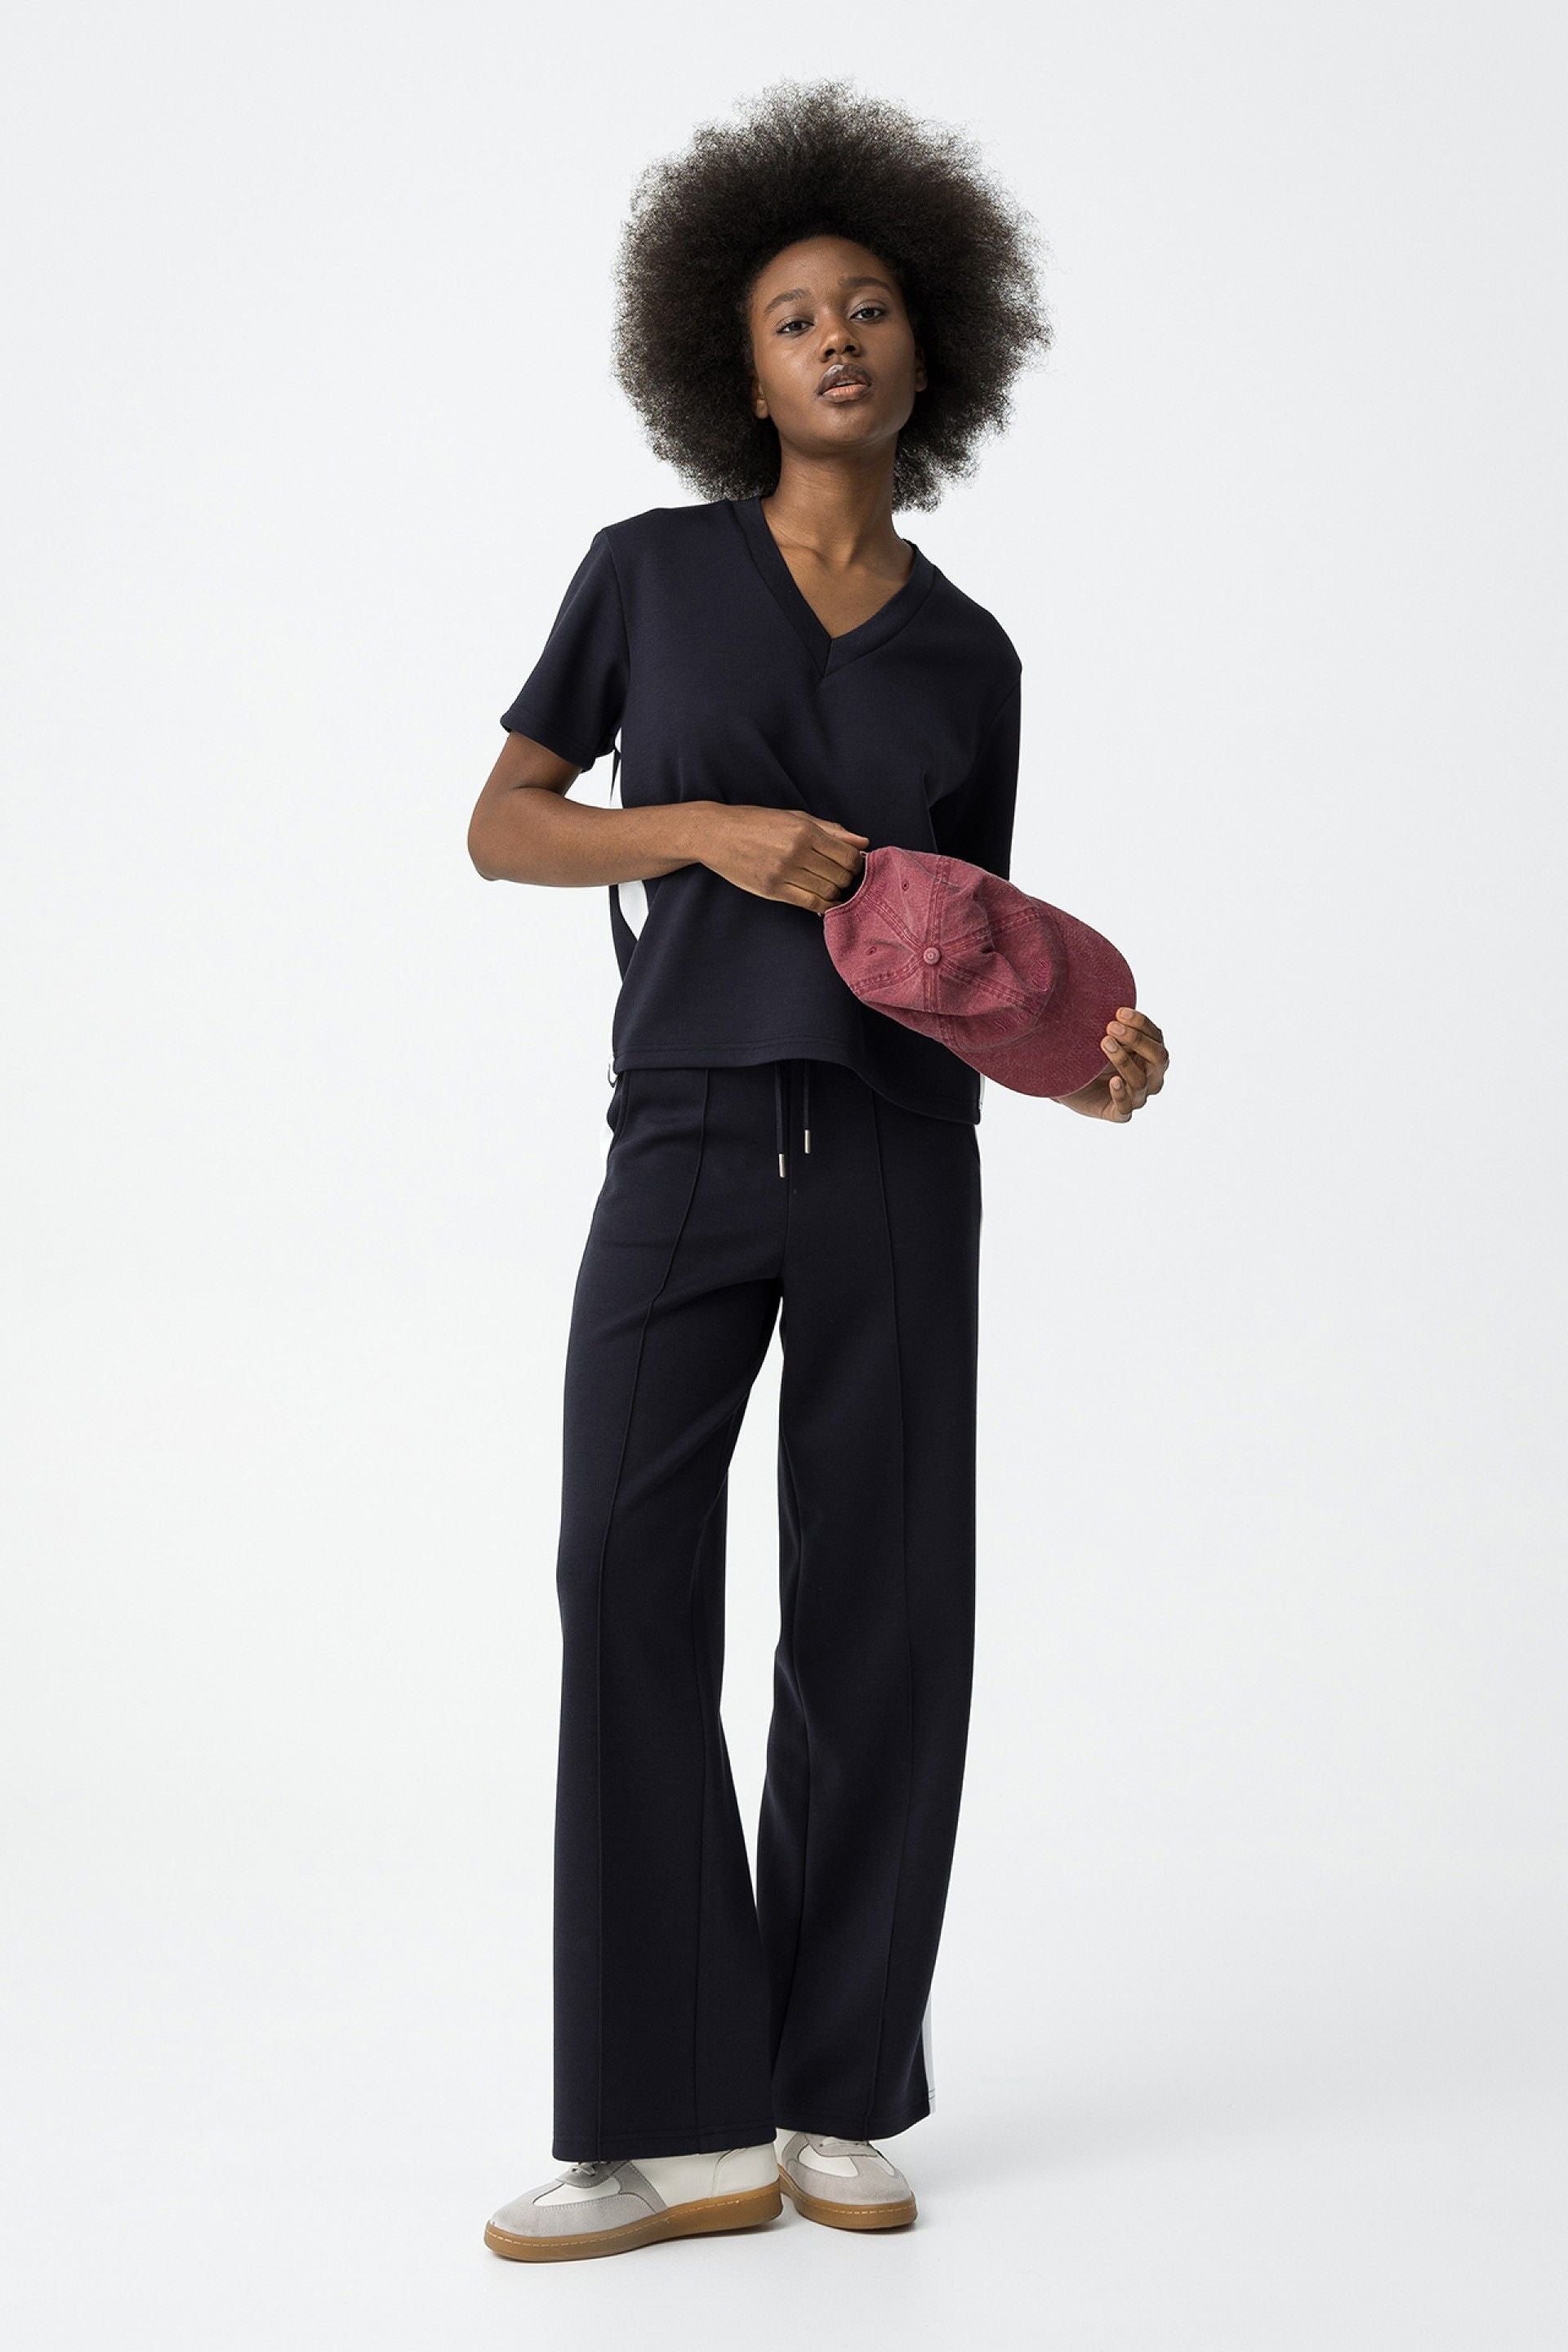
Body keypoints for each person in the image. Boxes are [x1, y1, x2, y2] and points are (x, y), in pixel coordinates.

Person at [466, 78, 1169, 2265]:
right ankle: (664, 2122)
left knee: (883, 1609)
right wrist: (700, 830)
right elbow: (503, 824)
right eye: (793, 318)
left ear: (931, 350)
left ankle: (838, 2087)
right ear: (739, 369)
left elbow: (974, 951)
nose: (835, 338)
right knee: (622, 1574)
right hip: (684, 1128)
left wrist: (1087, 1058)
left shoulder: (972, 654)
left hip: (891, 1154)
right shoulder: (648, 574)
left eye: (867, 307)